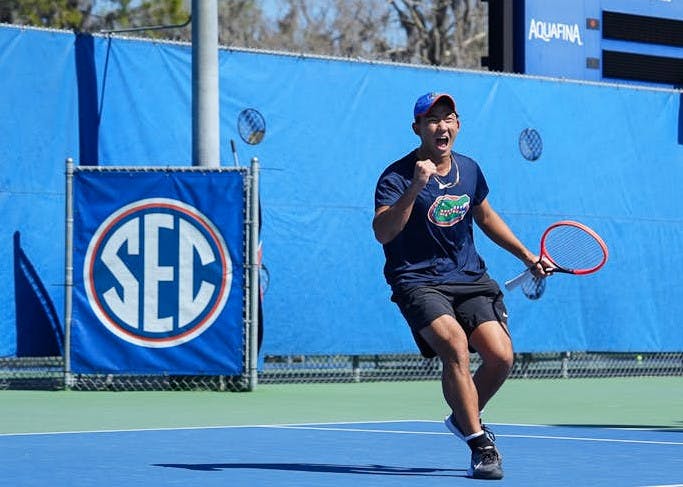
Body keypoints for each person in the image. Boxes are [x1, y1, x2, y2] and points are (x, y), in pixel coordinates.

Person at [372, 92, 550, 480]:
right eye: (432, 120)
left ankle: (461, 418)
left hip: (468, 278)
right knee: (453, 345)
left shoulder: (469, 170)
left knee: (501, 356)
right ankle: (479, 443)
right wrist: (415, 188)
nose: (442, 126)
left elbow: (485, 217)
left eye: (448, 118)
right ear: (417, 128)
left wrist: (526, 256)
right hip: (417, 280)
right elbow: (383, 232)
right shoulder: (396, 177)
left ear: (458, 124)